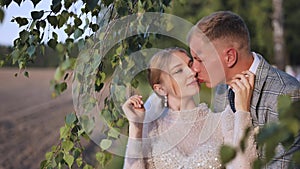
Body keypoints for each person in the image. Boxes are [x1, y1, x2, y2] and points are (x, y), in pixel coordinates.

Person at [188, 11, 300, 168]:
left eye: (199, 59)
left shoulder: (287, 94)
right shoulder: (221, 89)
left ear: (230, 57)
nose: (193, 69)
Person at [122, 47, 257, 169]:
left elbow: (244, 165)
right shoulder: (152, 130)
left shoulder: (221, 122)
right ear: (161, 89)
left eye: (190, 65)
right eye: (179, 70)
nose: (192, 72)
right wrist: (135, 126)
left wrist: (242, 112)